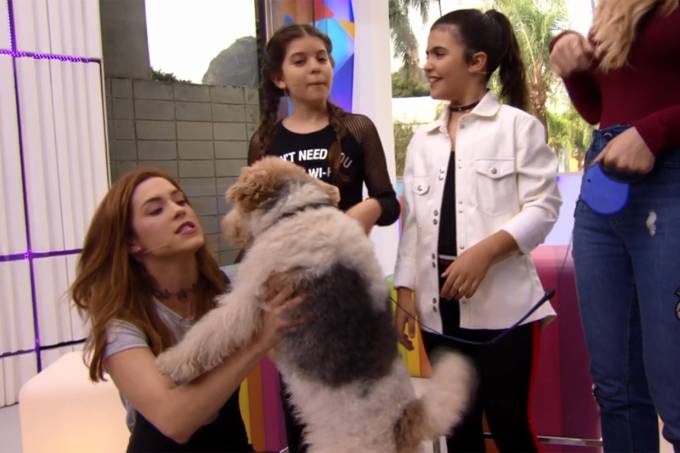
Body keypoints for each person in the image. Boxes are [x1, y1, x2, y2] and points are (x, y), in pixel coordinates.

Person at [394, 9, 561, 452]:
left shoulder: (518, 128)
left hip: (504, 312)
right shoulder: (421, 141)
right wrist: (406, 290)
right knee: (456, 427)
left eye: (438, 54)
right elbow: (414, 224)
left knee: (508, 422)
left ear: (476, 61)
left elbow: (544, 207)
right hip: (436, 313)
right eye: (427, 54)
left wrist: (485, 252)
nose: (427, 65)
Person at [70, 168, 304, 452]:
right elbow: (174, 420)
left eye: (180, 201)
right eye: (156, 210)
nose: (179, 210)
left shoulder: (231, 287)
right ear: (132, 243)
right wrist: (258, 343)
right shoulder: (120, 322)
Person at [248, 23, 401, 451]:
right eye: (300, 61)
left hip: (348, 291)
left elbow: (389, 203)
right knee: (305, 419)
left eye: (322, 58)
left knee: (361, 415)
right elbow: (255, 222)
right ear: (279, 78)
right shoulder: (265, 141)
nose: (316, 67)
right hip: (293, 301)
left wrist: (367, 209)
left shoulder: (357, 129)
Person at [549, 0, 680, 450]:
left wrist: (655, 132)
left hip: (671, 179)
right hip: (604, 182)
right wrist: (571, 62)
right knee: (614, 387)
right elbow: (597, 109)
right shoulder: (613, 6)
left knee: (675, 383)